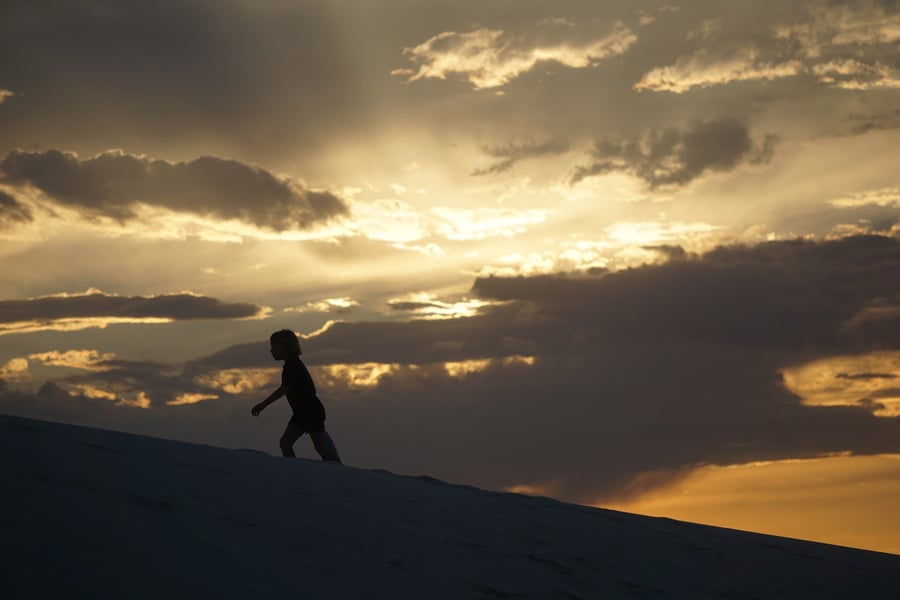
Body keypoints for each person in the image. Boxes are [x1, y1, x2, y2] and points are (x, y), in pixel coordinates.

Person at [251, 329, 342, 463]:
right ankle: (292, 470)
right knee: (286, 443)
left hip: (311, 412)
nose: (271, 351)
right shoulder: (290, 365)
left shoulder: (293, 367)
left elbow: (285, 389)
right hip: (301, 413)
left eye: (275, 347)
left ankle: (338, 470)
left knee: (320, 448)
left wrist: (263, 404)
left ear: (286, 348)